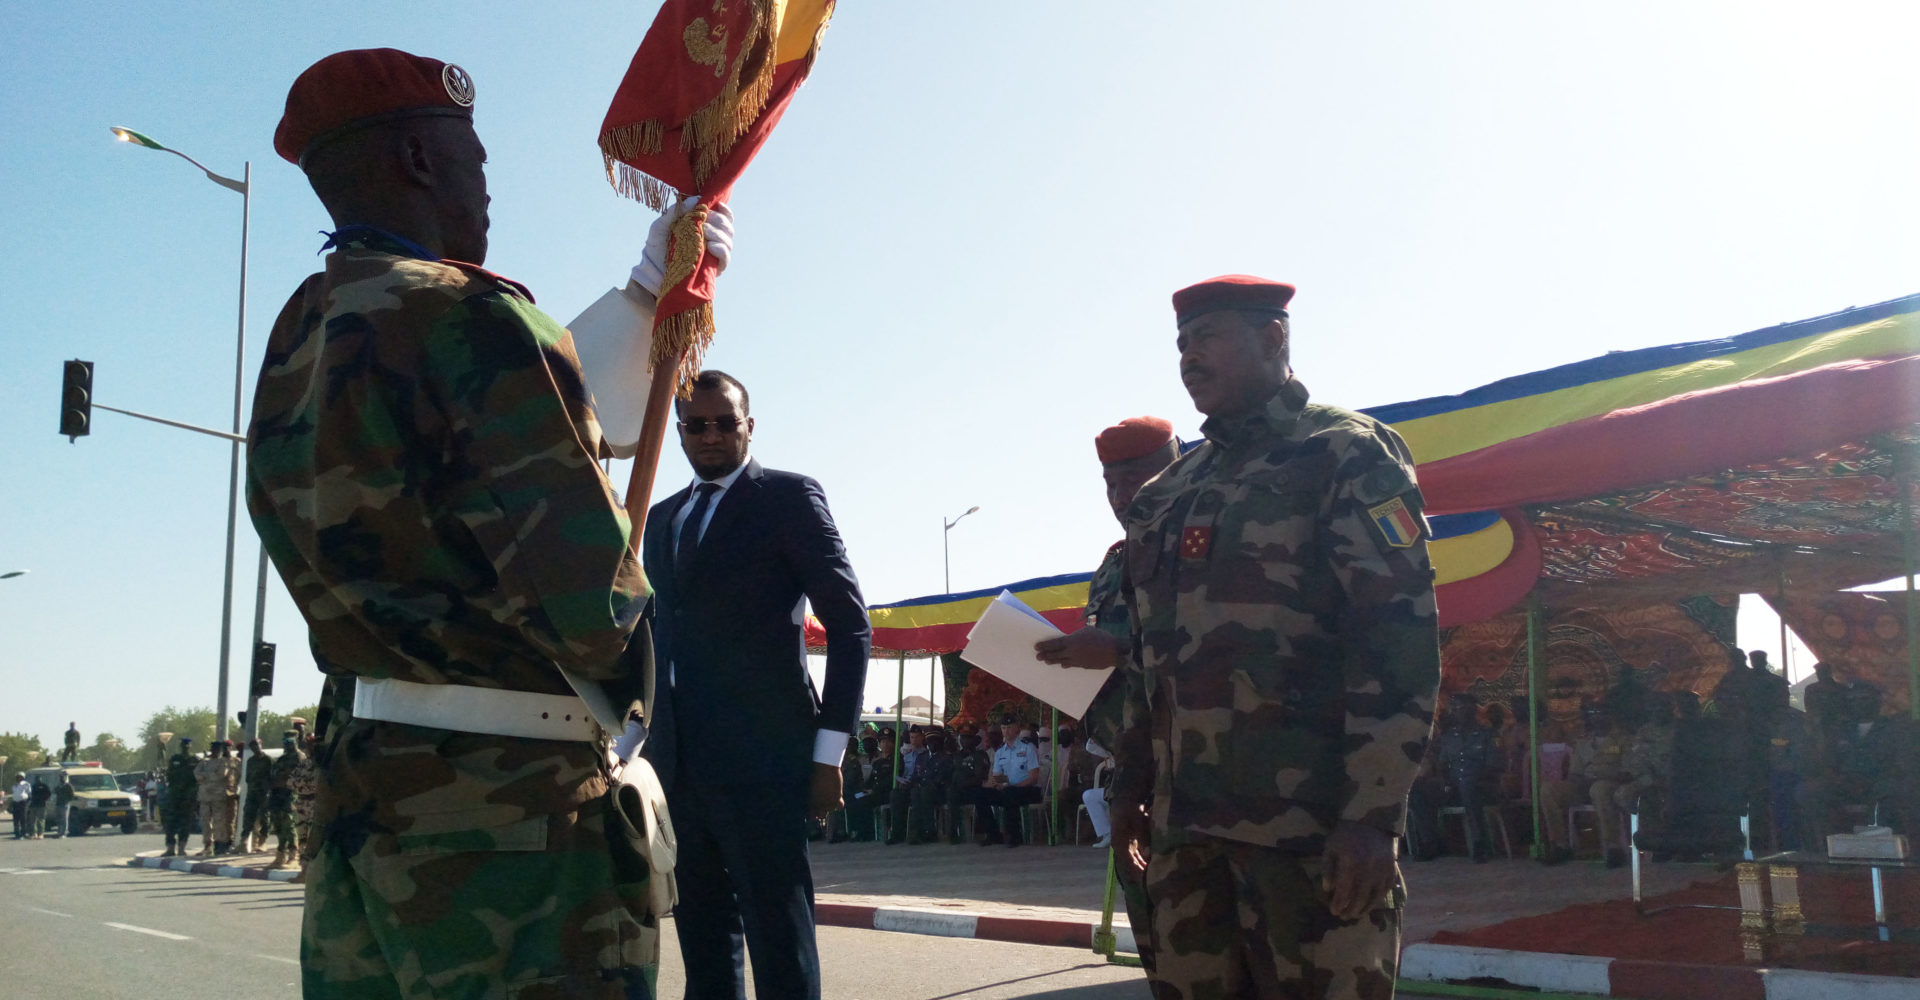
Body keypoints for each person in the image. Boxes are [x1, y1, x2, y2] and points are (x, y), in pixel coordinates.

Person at [247, 49, 702, 998]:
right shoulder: (475, 314)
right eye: (477, 159)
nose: (485, 183)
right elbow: (589, 603)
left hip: (366, 797)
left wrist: (645, 298)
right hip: (509, 820)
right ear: (419, 158)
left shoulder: (301, 329)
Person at [1040, 276, 1440, 999]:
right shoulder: (1168, 496)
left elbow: (1396, 640)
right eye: (1182, 345)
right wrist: (1131, 791)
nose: (1189, 359)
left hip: (1308, 832)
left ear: (1274, 339)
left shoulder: (1343, 454)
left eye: (1208, 338)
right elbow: (1152, 668)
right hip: (1184, 838)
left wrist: (1373, 818)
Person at [640, 369, 870, 1000]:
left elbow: (851, 628)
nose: (710, 435)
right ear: (681, 432)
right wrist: (635, 741)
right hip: (678, 766)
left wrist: (829, 754)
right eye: (696, 424)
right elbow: (656, 639)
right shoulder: (662, 519)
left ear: (749, 425)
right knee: (704, 947)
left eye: (724, 422)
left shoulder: (788, 498)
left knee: (779, 939)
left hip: (766, 760)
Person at [1433, 696, 1503, 862]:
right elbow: (1442, 765)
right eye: (1454, 709)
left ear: (1472, 709)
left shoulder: (1487, 735)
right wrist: (1446, 782)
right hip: (1453, 786)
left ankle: (1479, 843)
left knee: (1468, 786)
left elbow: (1493, 766)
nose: (1457, 712)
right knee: (1418, 790)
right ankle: (1429, 842)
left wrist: (1468, 779)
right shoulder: (1449, 737)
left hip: (1482, 786)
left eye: (1461, 708)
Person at [971, 715, 1045, 847]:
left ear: (1017, 728)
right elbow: (997, 775)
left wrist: (1014, 786)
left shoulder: (1028, 748)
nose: (1006, 731)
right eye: (1004, 728)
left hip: (1028, 789)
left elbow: (1034, 777)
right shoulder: (1000, 752)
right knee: (979, 794)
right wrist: (995, 784)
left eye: (1009, 727)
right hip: (1007, 788)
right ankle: (993, 834)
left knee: (1010, 793)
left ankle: (1014, 835)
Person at [888, 726, 936, 845]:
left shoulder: (926, 754)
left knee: (916, 794)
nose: (913, 740)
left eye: (916, 737)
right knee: (895, 794)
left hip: (919, 787)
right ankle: (897, 833)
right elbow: (902, 772)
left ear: (922, 738)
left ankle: (916, 833)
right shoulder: (906, 755)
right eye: (911, 737)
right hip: (906, 786)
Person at [945, 730, 991, 844]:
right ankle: (953, 832)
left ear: (974, 740)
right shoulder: (956, 756)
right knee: (951, 793)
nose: (965, 740)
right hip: (957, 790)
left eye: (968, 738)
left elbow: (980, 776)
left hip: (973, 790)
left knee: (979, 795)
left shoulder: (980, 755)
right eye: (963, 737)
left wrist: (965, 783)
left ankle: (985, 831)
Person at [267, 733, 301, 870]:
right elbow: (273, 775)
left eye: (290, 742)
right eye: (285, 742)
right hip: (277, 795)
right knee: (278, 825)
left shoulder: (299, 757)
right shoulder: (281, 759)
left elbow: (295, 777)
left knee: (289, 825)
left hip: (289, 795)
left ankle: (293, 856)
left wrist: (281, 782)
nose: (287, 745)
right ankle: (280, 855)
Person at [161, 738, 198, 857]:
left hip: (188, 796)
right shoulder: (175, 759)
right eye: (183, 745)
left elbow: (197, 779)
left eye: (187, 745)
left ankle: (182, 847)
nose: (185, 747)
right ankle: (170, 848)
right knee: (170, 822)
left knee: (185, 823)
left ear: (190, 746)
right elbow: (169, 775)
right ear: (180, 746)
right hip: (174, 795)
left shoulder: (194, 760)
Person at [241, 739, 271, 852]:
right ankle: (243, 841)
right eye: (252, 747)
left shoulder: (268, 760)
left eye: (256, 745)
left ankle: (262, 842)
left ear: (261, 745)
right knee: (248, 816)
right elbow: (248, 778)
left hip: (264, 793)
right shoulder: (250, 761)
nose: (255, 748)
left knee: (265, 818)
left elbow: (271, 777)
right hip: (252, 793)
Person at [193, 744, 221, 856]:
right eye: (213, 750)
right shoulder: (204, 762)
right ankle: (207, 846)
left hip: (218, 796)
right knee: (206, 822)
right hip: (205, 796)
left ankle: (219, 846)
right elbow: (196, 774)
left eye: (217, 750)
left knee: (219, 822)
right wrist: (209, 775)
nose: (214, 752)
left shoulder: (222, 762)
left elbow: (220, 776)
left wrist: (206, 776)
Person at [51, 771, 75, 838]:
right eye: (61, 777)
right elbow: (54, 792)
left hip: (65, 804)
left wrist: (67, 801)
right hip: (58, 804)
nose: (61, 778)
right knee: (58, 819)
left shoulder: (68, 786)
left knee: (64, 820)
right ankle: (59, 832)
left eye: (63, 777)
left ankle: (63, 833)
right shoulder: (58, 786)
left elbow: (72, 795)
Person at [9, 773, 28, 839]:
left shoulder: (26, 784)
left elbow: (29, 793)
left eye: (20, 777)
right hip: (15, 803)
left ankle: (23, 834)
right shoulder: (14, 786)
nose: (19, 778)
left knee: (23, 819)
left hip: (22, 803)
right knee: (16, 819)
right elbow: (13, 794)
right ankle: (17, 833)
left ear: (23, 778)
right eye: (18, 777)